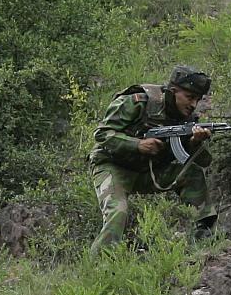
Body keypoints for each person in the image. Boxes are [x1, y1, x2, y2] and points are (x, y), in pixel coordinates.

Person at [89, 65, 217, 256]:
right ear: (174, 92)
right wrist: (137, 145)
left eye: (197, 100)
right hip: (113, 167)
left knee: (193, 174)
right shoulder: (139, 101)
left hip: (147, 173)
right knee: (118, 211)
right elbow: (102, 134)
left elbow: (205, 162)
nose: (193, 104)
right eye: (190, 97)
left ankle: (204, 237)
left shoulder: (189, 120)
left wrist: (195, 143)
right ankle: (101, 264)